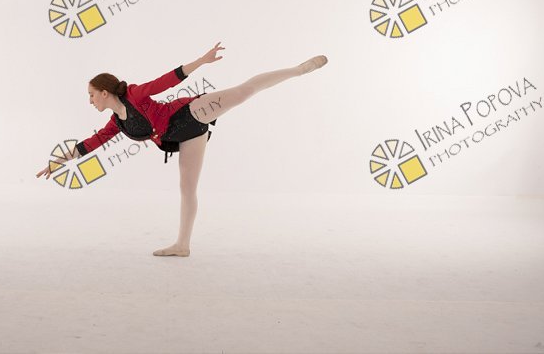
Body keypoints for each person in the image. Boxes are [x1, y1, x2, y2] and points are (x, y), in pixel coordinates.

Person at [36, 42, 328, 257]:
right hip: (184, 138)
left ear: (104, 92)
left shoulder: (134, 94)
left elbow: (165, 81)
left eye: (91, 95)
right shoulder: (116, 123)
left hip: (190, 114)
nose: (90, 101)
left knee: (242, 92)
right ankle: (182, 245)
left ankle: (299, 70)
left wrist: (201, 61)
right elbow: (91, 144)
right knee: (187, 189)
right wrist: (58, 162)